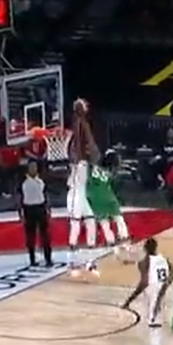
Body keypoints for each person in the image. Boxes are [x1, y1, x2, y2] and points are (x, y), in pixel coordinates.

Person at [120, 238, 171, 345]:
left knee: (154, 331)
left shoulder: (145, 261)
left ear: (145, 249)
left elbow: (144, 282)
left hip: (154, 299)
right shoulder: (164, 259)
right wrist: (164, 286)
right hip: (164, 296)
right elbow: (172, 273)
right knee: (163, 327)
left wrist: (129, 300)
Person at [66, 98, 101, 276]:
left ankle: (90, 262)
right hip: (75, 192)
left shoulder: (80, 125)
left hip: (83, 190)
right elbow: (82, 145)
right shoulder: (80, 125)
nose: (88, 107)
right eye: (85, 105)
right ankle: (72, 263)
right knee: (75, 227)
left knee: (91, 223)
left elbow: (88, 147)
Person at [85, 161, 132, 259]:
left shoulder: (87, 173)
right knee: (119, 220)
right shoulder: (105, 171)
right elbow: (113, 183)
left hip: (97, 199)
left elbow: (86, 189)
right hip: (109, 197)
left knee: (104, 223)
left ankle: (112, 244)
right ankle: (125, 241)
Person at [18, 162, 52, 266]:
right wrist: (20, 212)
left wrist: (48, 208)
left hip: (40, 208)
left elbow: (46, 195)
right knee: (30, 236)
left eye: (35, 167)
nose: (33, 169)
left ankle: (48, 258)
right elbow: (19, 198)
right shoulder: (22, 182)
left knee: (45, 235)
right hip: (28, 209)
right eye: (31, 167)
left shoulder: (41, 180)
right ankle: (32, 259)